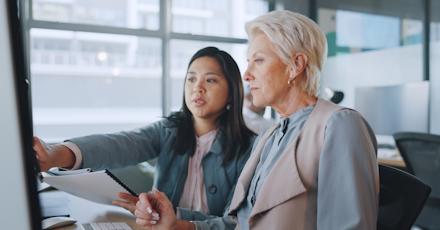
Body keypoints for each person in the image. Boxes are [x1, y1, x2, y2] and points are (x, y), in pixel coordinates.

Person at [133, 10, 379, 230]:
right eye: (249, 62)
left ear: (296, 65)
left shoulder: (339, 125)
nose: (247, 75)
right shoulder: (270, 136)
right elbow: (237, 223)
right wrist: (176, 224)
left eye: (258, 61)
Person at [33, 46, 256, 220]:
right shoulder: (169, 131)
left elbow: (234, 222)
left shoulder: (250, 149)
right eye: (191, 78)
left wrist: (175, 219)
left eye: (210, 80)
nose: (197, 87)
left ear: (231, 93)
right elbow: (120, 144)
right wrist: (56, 154)